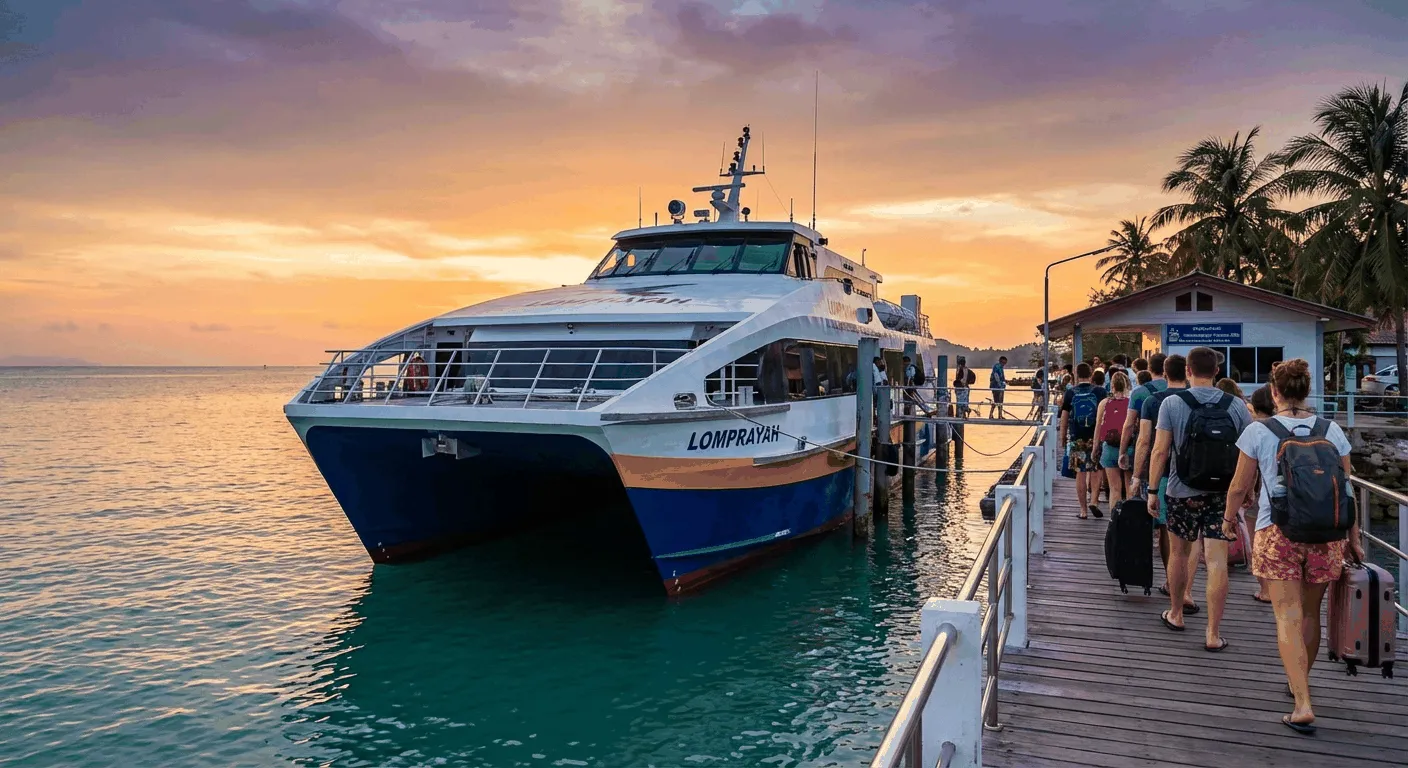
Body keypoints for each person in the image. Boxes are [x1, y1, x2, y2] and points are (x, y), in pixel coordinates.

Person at [1223, 359, 1364, 735]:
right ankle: (1299, 681)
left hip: (1278, 532)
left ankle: (1302, 702)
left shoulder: (1259, 431)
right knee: (1309, 614)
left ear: (1275, 392)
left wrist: (1227, 520)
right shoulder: (1331, 430)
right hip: (1326, 535)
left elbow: (1239, 486)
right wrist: (1354, 537)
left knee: (1285, 615)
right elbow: (1347, 489)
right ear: (1306, 390)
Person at [1149, 346, 1251, 648]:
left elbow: (1160, 450)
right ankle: (1213, 633)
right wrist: (1247, 492)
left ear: (1188, 371)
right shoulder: (1236, 405)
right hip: (1222, 493)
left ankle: (1177, 613)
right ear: (1216, 372)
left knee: (1180, 554)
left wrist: (1152, 490)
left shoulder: (1172, 403)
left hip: (1182, 491)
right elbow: (1248, 456)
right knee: (1217, 560)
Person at [1131, 354, 1198, 611]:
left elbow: (1146, 442)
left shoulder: (1153, 400)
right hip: (1199, 473)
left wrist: (1139, 478)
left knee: (1169, 532)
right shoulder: (1201, 398)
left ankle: (1173, 584)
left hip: (1166, 474)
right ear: (1188, 372)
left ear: (1165, 374)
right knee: (1195, 537)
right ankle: (1188, 591)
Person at [1059, 363, 1108, 519]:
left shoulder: (1070, 393)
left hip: (1076, 437)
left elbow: (1064, 417)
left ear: (1076, 374)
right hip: (1096, 437)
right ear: (1091, 374)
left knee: (1080, 473)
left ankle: (1083, 510)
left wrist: (1063, 437)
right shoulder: (1100, 391)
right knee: (1096, 469)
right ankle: (1094, 499)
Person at [1247, 385, 1276, 604]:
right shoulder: (1322, 427)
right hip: (1307, 506)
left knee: (1262, 545)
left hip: (1267, 501)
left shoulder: (1256, 430)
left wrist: (1228, 516)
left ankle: (1265, 590)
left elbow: (1244, 476)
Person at [1093, 371, 1133, 516]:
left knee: (1114, 488)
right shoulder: (1132, 402)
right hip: (1128, 447)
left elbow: (1098, 426)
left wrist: (1095, 448)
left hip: (1109, 447)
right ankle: (1130, 520)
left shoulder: (1105, 403)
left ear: (1112, 386)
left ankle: (1114, 521)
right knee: (1130, 487)